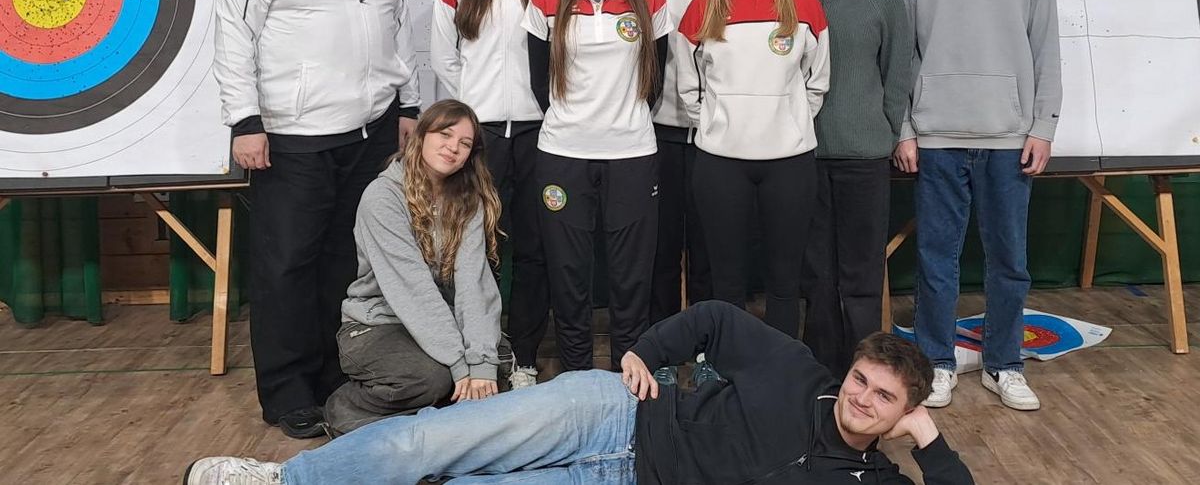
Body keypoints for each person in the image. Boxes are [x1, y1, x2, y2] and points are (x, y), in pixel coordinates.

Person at [184, 301, 975, 484]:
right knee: (432, 439)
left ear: (904, 412)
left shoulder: (874, 478)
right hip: (612, 408)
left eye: (882, 399)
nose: (861, 400)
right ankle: (280, 480)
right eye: (860, 381)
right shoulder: (797, 368)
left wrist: (933, 442)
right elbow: (714, 319)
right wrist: (643, 350)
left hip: (619, 480)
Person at [213, 0, 419, 438]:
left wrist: (407, 104)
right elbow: (232, 41)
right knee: (287, 269)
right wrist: (245, 122)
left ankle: (337, 377)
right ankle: (287, 392)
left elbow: (399, 27)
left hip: (372, 134)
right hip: (293, 136)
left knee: (348, 263)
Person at [892, 0, 1061, 411]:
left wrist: (1042, 126)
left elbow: (1046, 53)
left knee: (1009, 259)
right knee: (937, 258)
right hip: (937, 137)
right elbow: (903, 57)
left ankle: (1004, 364)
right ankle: (938, 362)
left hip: (1009, 137)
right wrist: (905, 130)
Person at [523, 0, 672, 372]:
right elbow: (540, 82)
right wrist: (580, 121)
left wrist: (617, 121)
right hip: (563, 153)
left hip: (631, 152)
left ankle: (628, 383)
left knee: (631, 279)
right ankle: (577, 379)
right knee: (569, 276)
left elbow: (656, 79)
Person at [430, 0, 565, 390]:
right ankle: (477, 356)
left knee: (535, 246)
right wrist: (472, 111)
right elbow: (445, 57)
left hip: (544, 131)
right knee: (475, 248)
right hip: (481, 137)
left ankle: (526, 357)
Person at [677, 0, 830, 338]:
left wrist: (790, 121)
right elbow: (689, 86)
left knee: (784, 282)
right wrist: (718, 124)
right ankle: (728, 376)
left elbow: (817, 81)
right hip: (720, 163)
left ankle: (779, 376)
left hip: (790, 163)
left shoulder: (803, 3)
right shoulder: (703, 6)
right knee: (727, 283)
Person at [322, 100, 509, 436]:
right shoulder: (382, 197)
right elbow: (412, 289)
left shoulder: (469, 201)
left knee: (496, 369)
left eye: (464, 144)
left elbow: (473, 284)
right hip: (377, 323)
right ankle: (346, 409)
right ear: (421, 135)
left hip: (438, 321)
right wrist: (458, 363)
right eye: (445, 134)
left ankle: (428, 422)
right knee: (431, 378)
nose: (453, 148)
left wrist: (480, 362)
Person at [794, 0, 913, 376]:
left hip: (863, 155)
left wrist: (884, 131)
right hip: (803, 154)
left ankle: (865, 374)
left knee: (862, 274)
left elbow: (896, 74)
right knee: (817, 274)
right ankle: (822, 373)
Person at [635, 0, 715, 326]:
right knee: (660, 250)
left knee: (709, 250)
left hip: (716, 133)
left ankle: (708, 348)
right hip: (656, 129)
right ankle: (661, 352)